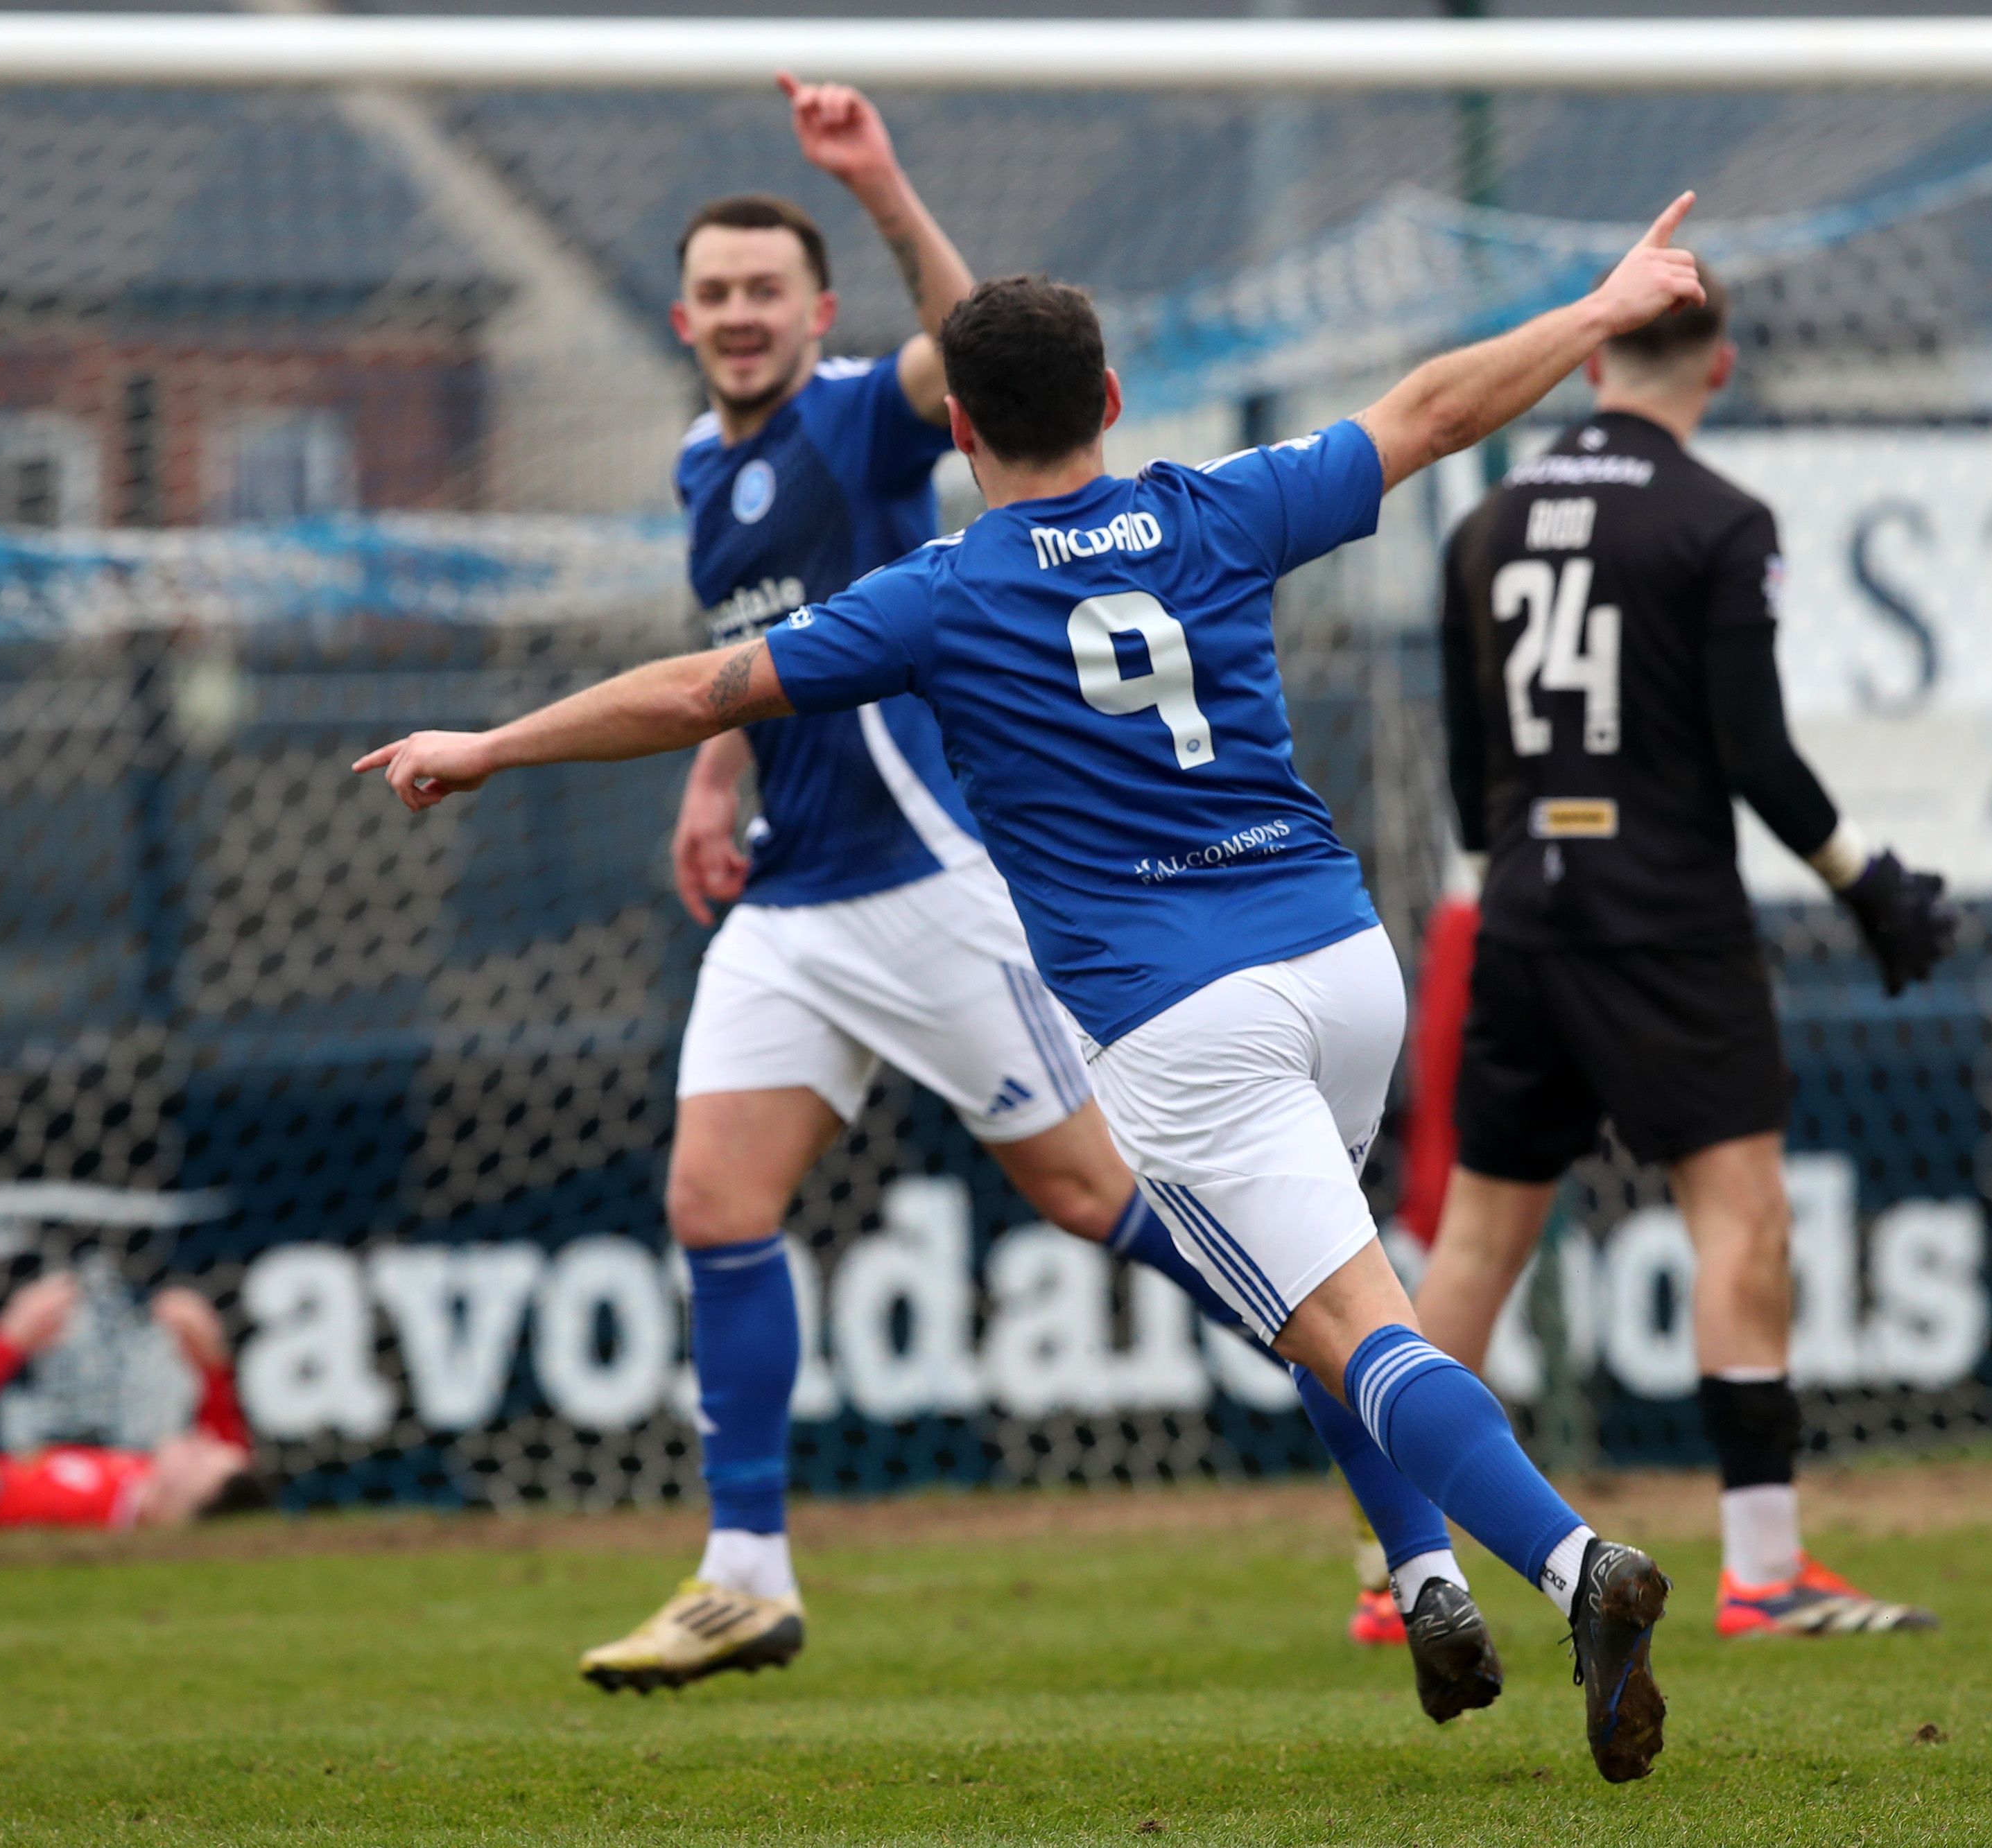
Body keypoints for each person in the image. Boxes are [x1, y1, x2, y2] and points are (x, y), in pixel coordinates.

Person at [357, 195, 1717, 1783]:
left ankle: (1569, 1565)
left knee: (1350, 1325)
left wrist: (492, 743)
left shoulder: (943, 591)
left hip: (1178, 1015)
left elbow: (698, 685)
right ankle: (1425, 1570)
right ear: (1116, 402)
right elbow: (1428, 407)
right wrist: (1598, 302)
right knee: (1342, 1317)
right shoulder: (1218, 508)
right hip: (1344, 963)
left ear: (960, 426)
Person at [575, 73, 1478, 1709]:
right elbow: (742, 661)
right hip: (794, 897)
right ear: (681, 311)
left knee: (1113, 1202)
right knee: (713, 1201)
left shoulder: (859, 412)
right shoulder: (703, 471)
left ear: (817, 307)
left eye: (764, 288)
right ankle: (745, 1575)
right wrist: (714, 785)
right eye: (712, 291)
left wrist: (878, 179)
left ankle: (1393, 1459)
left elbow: (985, 345)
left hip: (930, 887)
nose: (735, 313)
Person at [1417, 261, 1954, 1639]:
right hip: (1663, 912)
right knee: (1738, 1211)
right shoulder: (1719, 517)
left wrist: (1508, 890)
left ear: (1593, 361)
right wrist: (1864, 881)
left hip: (1522, 905)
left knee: (1477, 1238)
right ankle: (1762, 1569)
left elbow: (1470, 764)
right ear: (1715, 367)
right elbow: (1753, 752)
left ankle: (1397, 1572)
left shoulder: (1479, 523)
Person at [0, 1274, 254, 1541]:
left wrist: (7, 1341)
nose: (202, 1438)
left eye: (200, 1455)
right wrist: (210, 1365)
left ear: (174, 1512)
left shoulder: (65, 1512)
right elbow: (233, 1475)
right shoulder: (134, 1491)